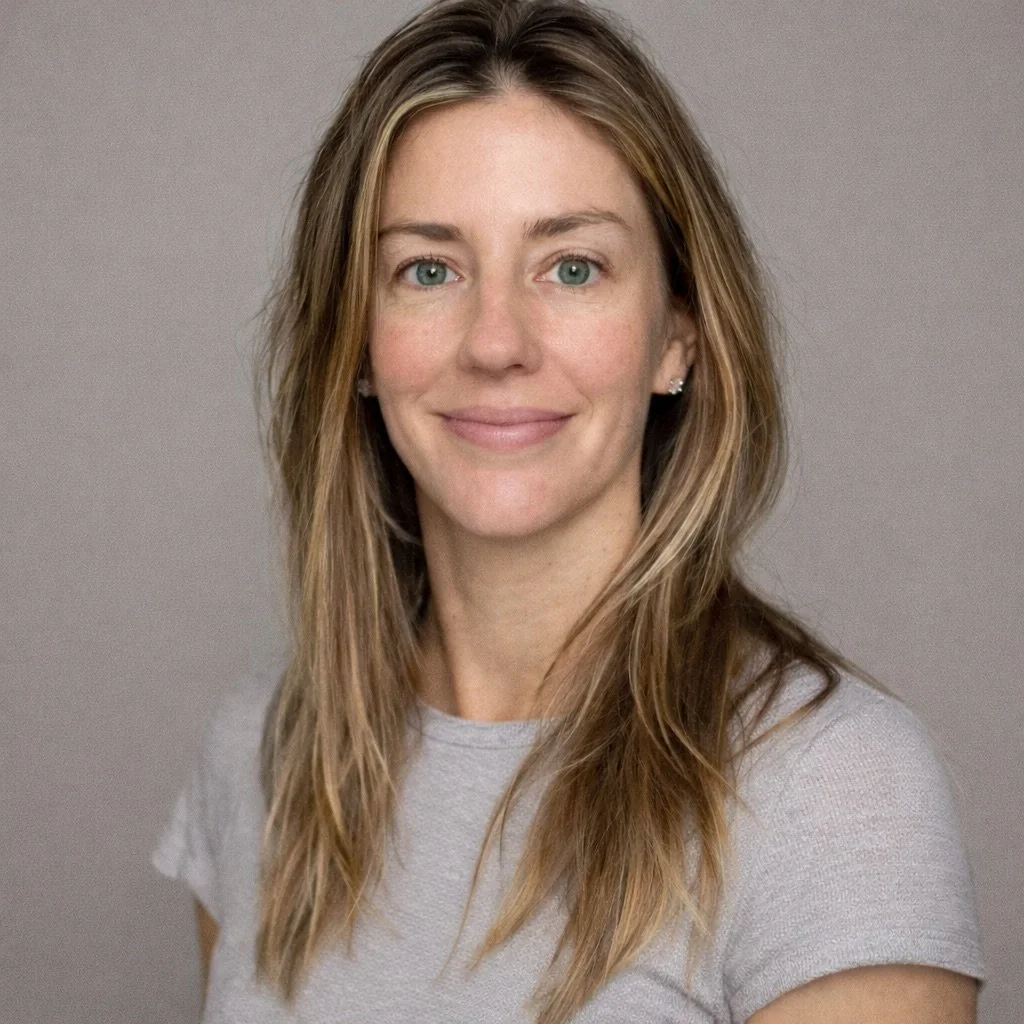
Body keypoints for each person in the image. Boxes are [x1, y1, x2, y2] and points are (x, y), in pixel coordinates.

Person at [151, 0, 986, 1020]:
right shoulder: (262, 756)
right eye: (428, 269)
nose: (496, 342)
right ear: (356, 342)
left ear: (676, 335)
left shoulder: (834, 788)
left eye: (572, 267)